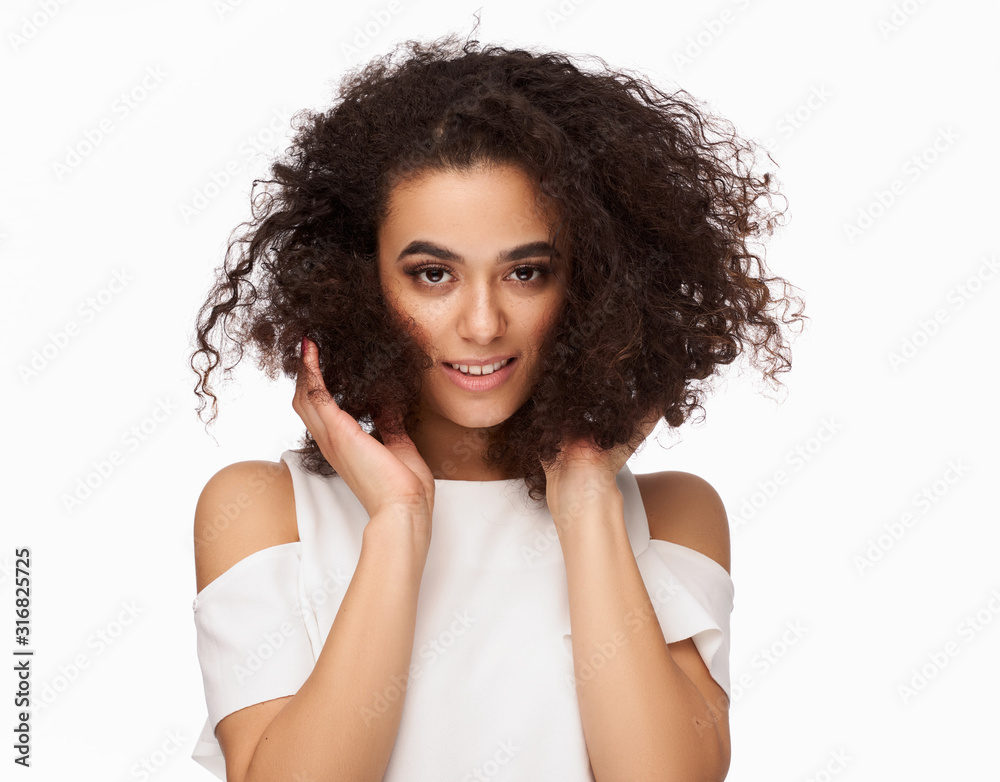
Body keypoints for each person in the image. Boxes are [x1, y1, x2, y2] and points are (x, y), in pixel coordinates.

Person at [187, 31, 804, 782]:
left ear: (592, 283)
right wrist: (398, 523)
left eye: (527, 271)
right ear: (358, 279)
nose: (482, 325)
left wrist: (586, 502)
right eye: (432, 274)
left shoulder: (673, 514)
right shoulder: (263, 511)